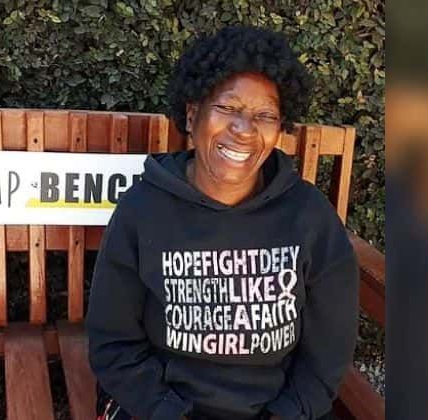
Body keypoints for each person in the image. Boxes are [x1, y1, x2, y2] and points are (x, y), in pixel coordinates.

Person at [86, 25, 359, 420]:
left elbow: (328, 353)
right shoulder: (142, 210)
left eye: (265, 115)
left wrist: (286, 414)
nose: (244, 129)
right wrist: (166, 412)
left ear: (279, 129)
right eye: (228, 108)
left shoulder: (310, 216)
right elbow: (114, 343)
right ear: (192, 115)